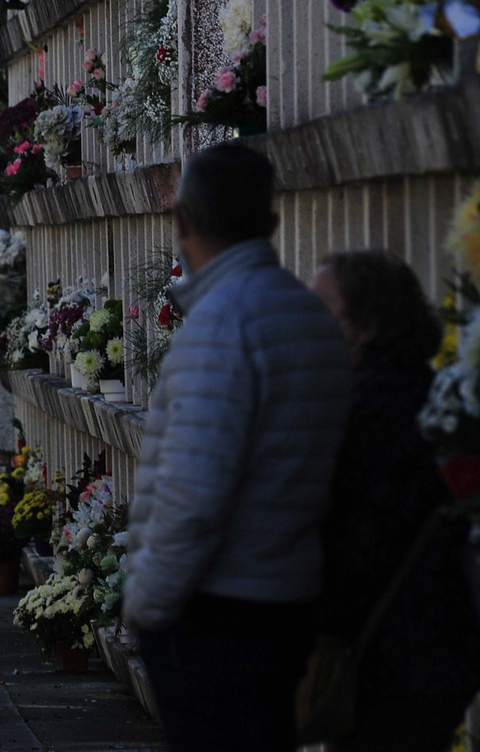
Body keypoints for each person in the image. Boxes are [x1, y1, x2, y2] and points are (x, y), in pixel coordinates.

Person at [124, 142, 352, 752]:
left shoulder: (223, 323)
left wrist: (145, 601)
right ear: (271, 222)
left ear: (181, 222)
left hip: (216, 609)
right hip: (287, 595)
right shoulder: (306, 314)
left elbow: (194, 495)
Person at [311, 250, 480, 750]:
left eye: (323, 311)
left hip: (394, 653)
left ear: (365, 324)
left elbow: (360, 543)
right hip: (432, 650)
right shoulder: (424, 393)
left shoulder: (374, 410)